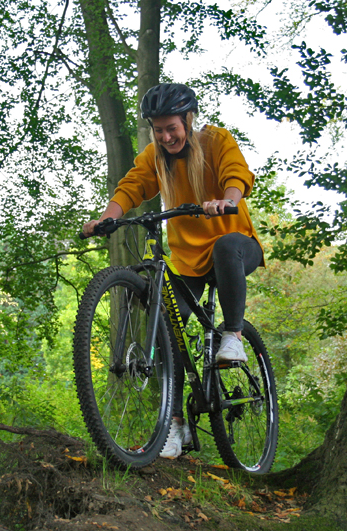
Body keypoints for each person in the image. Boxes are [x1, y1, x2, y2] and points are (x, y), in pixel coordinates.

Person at [82, 83, 264, 459]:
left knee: (226, 245)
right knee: (166, 327)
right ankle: (175, 426)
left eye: (172, 128)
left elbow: (237, 174)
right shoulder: (154, 157)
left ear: (188, 120)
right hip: (187, 261)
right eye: (159, 130)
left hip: (234, 246)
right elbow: (131, 188)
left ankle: (233, 335)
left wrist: (226, 202)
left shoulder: (215, 142)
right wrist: (106, 219)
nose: (166, 137)